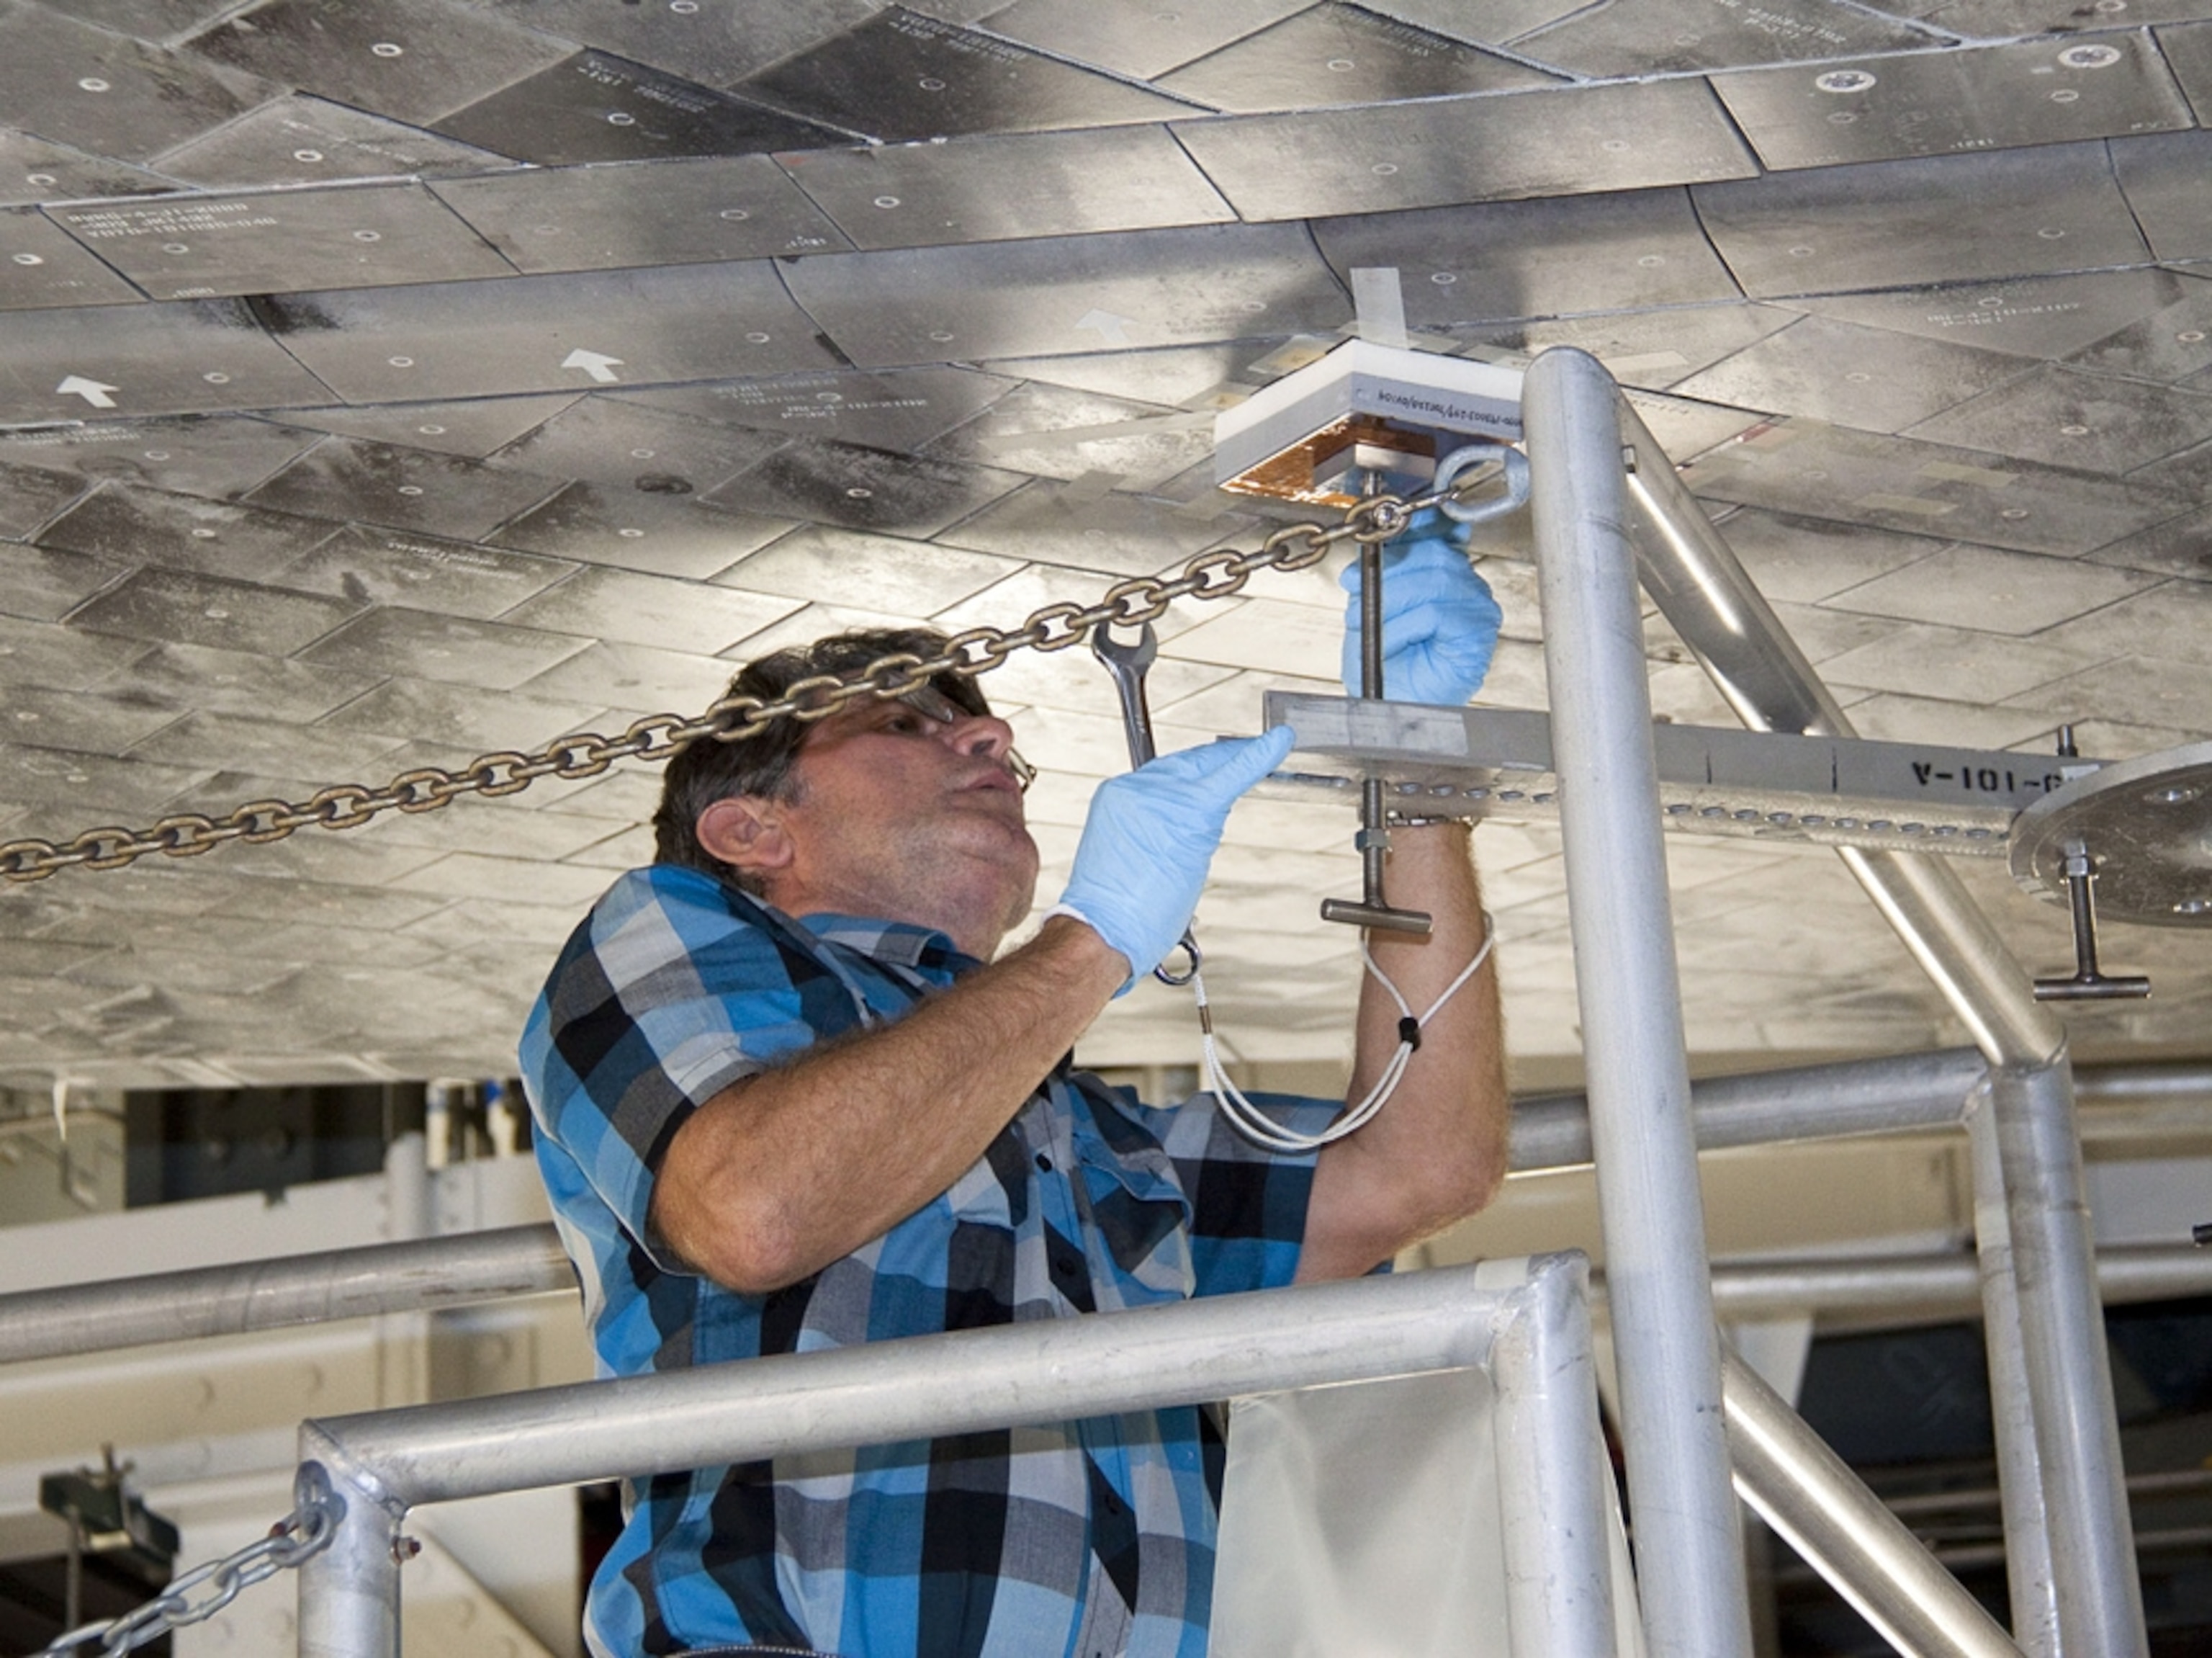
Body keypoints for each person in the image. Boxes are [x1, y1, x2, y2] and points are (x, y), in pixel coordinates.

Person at [520, 513, 1512, 1658]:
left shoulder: (1066, 1129)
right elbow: (751, 1207)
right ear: (752, 826)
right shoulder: (663, 927)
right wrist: (1089, 943)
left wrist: (1421, 781)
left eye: (991, 734)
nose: (990, 737)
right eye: (907, 722)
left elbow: (1416, 1165)